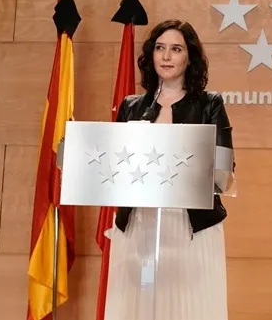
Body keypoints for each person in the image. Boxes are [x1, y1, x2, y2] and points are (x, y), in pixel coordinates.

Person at [104, 19, 234, 320]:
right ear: (150, 55)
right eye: (160, 48)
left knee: (185, 308)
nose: (166, 56)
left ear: (190, 58)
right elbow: (115, 164)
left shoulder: (209, 104)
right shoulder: (132, 106)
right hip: (140, 225)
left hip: (190, 226)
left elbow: (224, 169)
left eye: (176, 49)